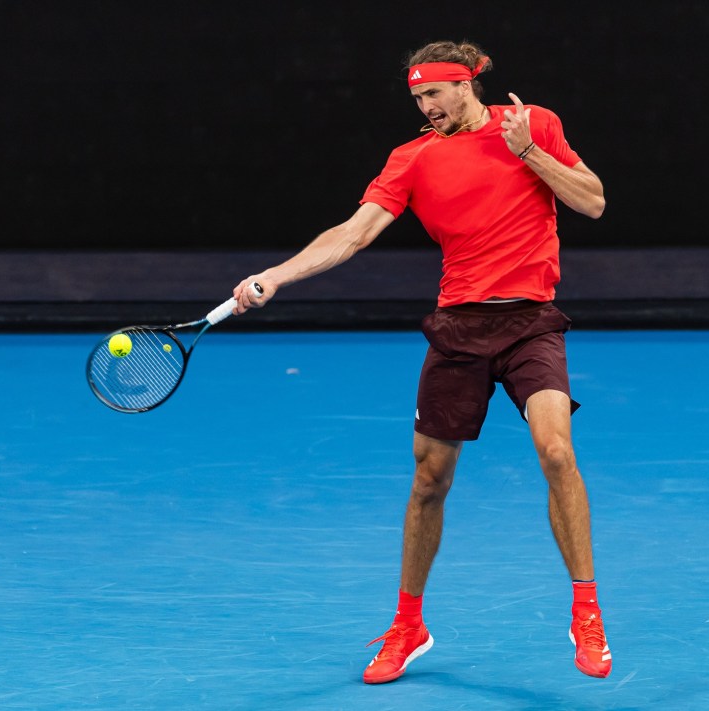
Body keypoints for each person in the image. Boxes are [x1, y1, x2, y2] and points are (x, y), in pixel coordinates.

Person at [231, 40, 612, 682]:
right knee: (430, 479)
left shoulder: (533, 124)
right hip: (458, 326)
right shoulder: (413, 158)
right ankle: (409, 625)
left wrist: (529, 152)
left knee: (556, 451)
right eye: (417, 97)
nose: (426, 106)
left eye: (435, 93)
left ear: (467, 84)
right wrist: (277, 275)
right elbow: (352, 233)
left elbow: (593, 201)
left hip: (530, 322)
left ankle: (587, 612)